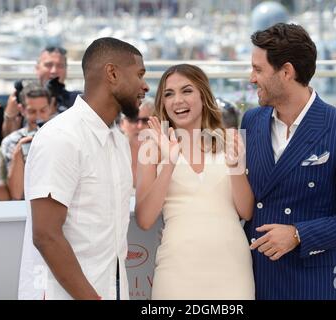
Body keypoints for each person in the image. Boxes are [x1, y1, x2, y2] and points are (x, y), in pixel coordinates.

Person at [243, 23, 336, 300]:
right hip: (252, 279)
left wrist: (298, 234)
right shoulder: (251, 121)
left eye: (258, 70)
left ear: (286, 72)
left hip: (312, 284)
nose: (251, 78)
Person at [20, 37, 149, 300]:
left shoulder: (118, 141)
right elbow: (46, 235)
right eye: (139, 74)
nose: (145, 86)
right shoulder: (61, 137)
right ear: (112, 73)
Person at [135, 64, 255, 299]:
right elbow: (145, 219)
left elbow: (246, 211)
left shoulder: (230, 140)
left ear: (203, 94)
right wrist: (169, 162)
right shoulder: (151, 147)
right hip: (176, 271)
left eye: (187, 91)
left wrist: (234, 166)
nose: (177, 100)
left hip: (232, 270)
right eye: (169, 94)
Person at [2, 46, 80, 138]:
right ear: (37, 68)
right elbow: (9, 140)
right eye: (48, 65)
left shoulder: (76, 101)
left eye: (60, 66)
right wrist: (9, 116)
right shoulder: (23, 98)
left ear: (66, 70)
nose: (54, 71)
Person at [1, 82, 55, 200]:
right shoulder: (11, 142)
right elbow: (15, 194)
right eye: (32, 111)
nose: (38, 117)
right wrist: (21, 149)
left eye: (43, 110)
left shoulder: (63, 136)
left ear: (51, 107)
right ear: (22, 109)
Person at [119, 97, 154, 188]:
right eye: (133, 120)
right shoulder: (112, 157)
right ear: (122, 124)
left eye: (145, 120)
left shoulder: (166, 158)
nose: (139, 126)